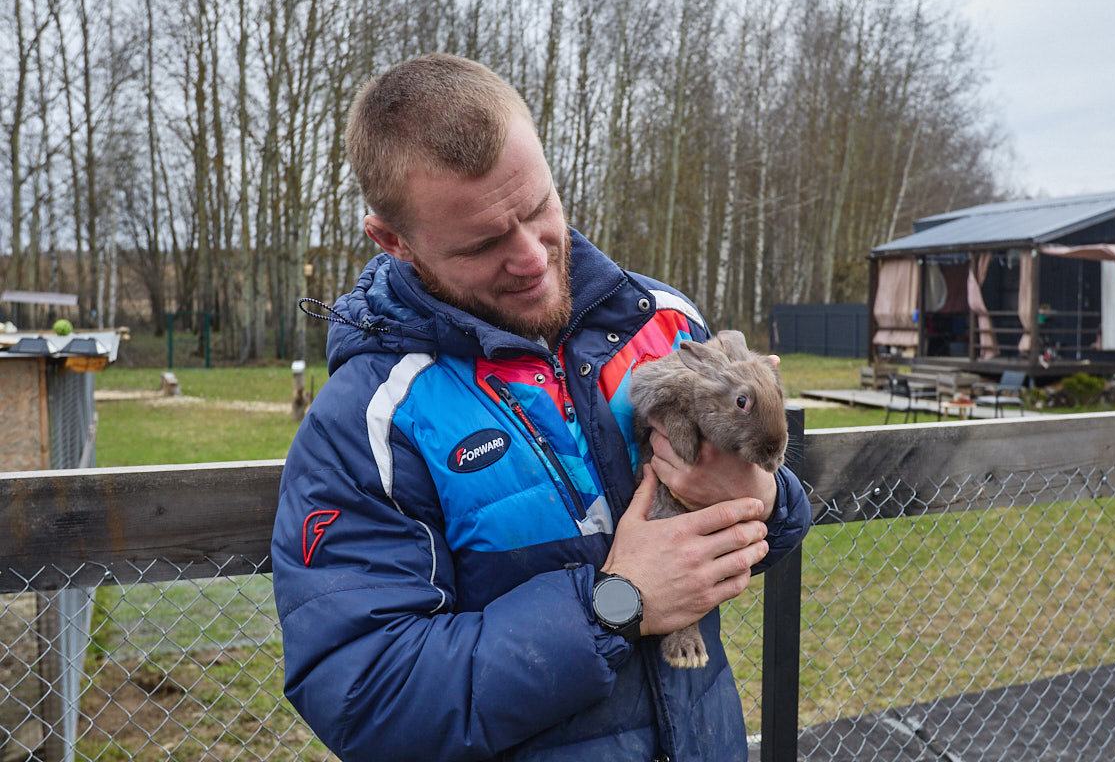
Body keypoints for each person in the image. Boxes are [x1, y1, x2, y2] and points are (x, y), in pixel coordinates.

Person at [271, 53, 811, 762]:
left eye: (538, 208)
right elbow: (367, 697)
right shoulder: (371, 420)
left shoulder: (664, 323)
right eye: (486, 241)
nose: (530, 255)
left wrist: (765, 498)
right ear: (394, 242)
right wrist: (616, 606)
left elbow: (774, 522)